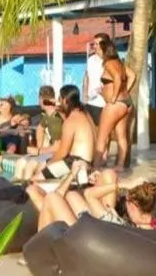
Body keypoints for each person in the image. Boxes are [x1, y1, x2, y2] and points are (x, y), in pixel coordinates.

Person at [28, 165, 156, 232]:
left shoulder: (117, 224)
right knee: (72, 195)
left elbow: (89, 194)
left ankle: (38, 251)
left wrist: (124, 184)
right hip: (98, 230)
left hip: (86, 239)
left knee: (53, 198)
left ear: (131, 205)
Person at [38, 84, 96, 181]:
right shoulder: (85, 113)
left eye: (59, 99)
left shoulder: (70, 121)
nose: (58, 102)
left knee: (36, 178)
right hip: (87, 162)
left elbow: (62, 152)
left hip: (74, 163)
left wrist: (48, 165)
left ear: (65, 100)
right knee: (41, 165)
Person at [94, 35, 135, 169]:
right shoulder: (118, 62)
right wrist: (125, 91)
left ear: (102, 46)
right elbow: (132, 75)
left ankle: (96, 167)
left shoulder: (108, 63)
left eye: (95, 44)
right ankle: (120, 166)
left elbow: (117, 78)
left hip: (115, 105)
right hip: (126, 103)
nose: (94, 47)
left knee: (101, 137)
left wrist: (113, 97)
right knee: (121, 136)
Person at [12, 85, 62, 181]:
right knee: (20, 162)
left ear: (41, 99)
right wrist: (39, 146)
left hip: (56, 153)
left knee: (30, 165)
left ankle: (26, 191)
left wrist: (38, 151)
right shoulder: (48, 115)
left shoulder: (56, 119)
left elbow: (57, 147)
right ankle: (16, 190)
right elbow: (40, 128)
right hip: (47, 151)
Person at [81, 33, 107, 125]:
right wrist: (84, 95)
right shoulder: (91, 59)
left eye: (96, 44)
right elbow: (87, 76)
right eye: (93, 44)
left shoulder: (109, 61)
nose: (94, 46)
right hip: (90, 101)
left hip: (104, 102)